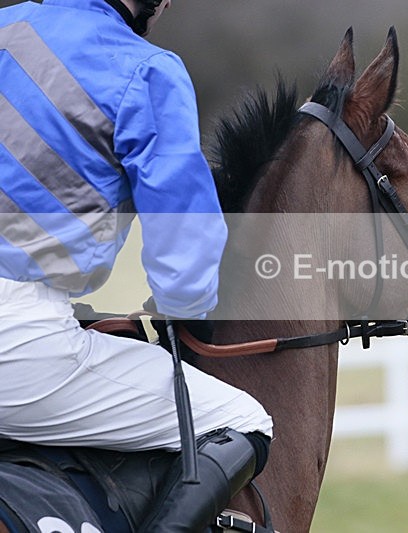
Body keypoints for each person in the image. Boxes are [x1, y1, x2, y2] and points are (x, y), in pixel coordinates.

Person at [0, 0, 273, 529]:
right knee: (242, 420)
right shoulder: (146, 70)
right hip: (19, 339)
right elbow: (184, 248)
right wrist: (187, 308)